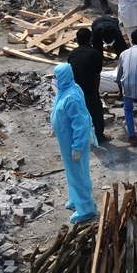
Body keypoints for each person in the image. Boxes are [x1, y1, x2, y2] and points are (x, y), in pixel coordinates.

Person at [51, 63, 98, 224]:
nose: (54, 80)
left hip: (75, 142)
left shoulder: (72, 97)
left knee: (79, 175)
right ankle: (75, 199)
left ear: (63, 77)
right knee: (72, 172)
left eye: (56, 77)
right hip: (67, 140)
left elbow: (81, 123)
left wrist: (77, 147)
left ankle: (86, 209)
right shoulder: (66, 89)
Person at [68, 28, 107, 144]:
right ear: (91, 39)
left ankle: (81, 138)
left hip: (75, 90)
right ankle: (99, 136)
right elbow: (97, 76)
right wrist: (95, 92)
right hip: (89, 89)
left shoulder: (71, 54)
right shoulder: (96, 54)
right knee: (96, 112)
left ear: (77, 40)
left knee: (78, 115)